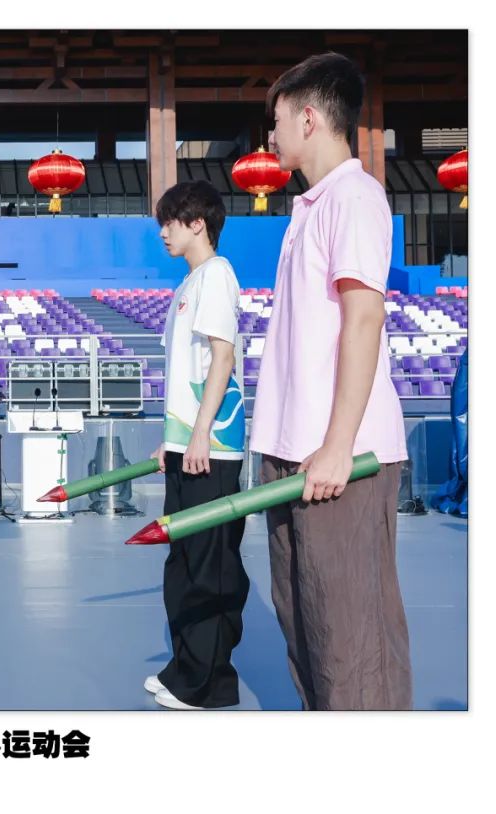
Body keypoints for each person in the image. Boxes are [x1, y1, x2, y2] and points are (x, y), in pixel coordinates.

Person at [251, 52, 412, 709]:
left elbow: (364, 317)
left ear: (309, 118)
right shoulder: (310, 207)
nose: (270, 135)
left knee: (350, 640)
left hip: (338, 458)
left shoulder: (354, 196)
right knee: (307, 628)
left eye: (277, 120)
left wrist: (339, 445)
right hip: (294, 451)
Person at [146, 180, 248, 710]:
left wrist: (202, 433)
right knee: (183, 560)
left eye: (170, 222)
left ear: (197, 224)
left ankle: (207, 683)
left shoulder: (217, 275)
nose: (163, 232)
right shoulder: (188, 284)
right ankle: (184, 666)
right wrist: (171, 440)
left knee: (210, 565)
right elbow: (186, 373)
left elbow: (222, 357)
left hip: (213, 447)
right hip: (187, 445)